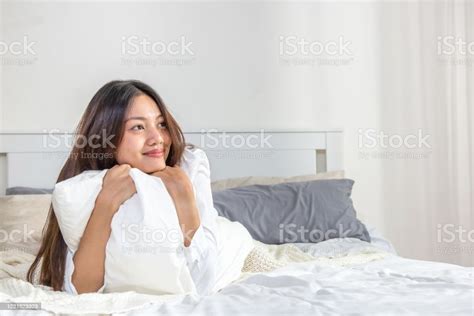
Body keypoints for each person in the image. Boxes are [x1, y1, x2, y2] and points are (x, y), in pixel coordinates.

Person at [27, 80, 219, 295]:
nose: (157, 139)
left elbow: (205, 284)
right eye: (138, 127)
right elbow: (80, 290)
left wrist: (184, 196)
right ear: (106, 137)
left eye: (161, 124)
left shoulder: (189, 166)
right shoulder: (84, 188)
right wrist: (106, 204)